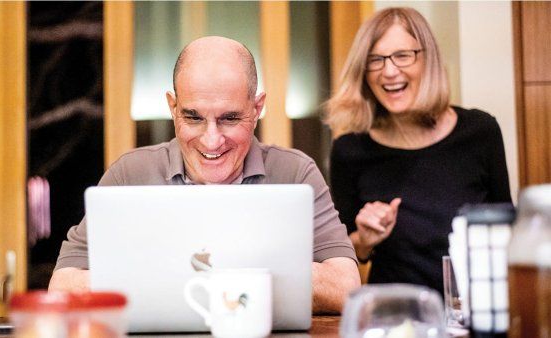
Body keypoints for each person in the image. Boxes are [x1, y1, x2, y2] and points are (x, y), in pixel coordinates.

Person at [49, 36, 360, 313]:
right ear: (173, 107)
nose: (212, 140)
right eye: (193, 117)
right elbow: (63, 286)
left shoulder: (295, 173)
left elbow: (346, 287)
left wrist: (196, 273)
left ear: (257, 108)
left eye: (229, 118)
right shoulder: (129, 174)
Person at [325, 7, 511, 295]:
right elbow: (349, 256)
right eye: (375, 60)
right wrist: (365, 237)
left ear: (428, 60)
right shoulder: (350, 150)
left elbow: (505, 230)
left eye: (402, 56)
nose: (389, 71)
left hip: (471, 311)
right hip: (394, 314)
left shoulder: (480, 131)